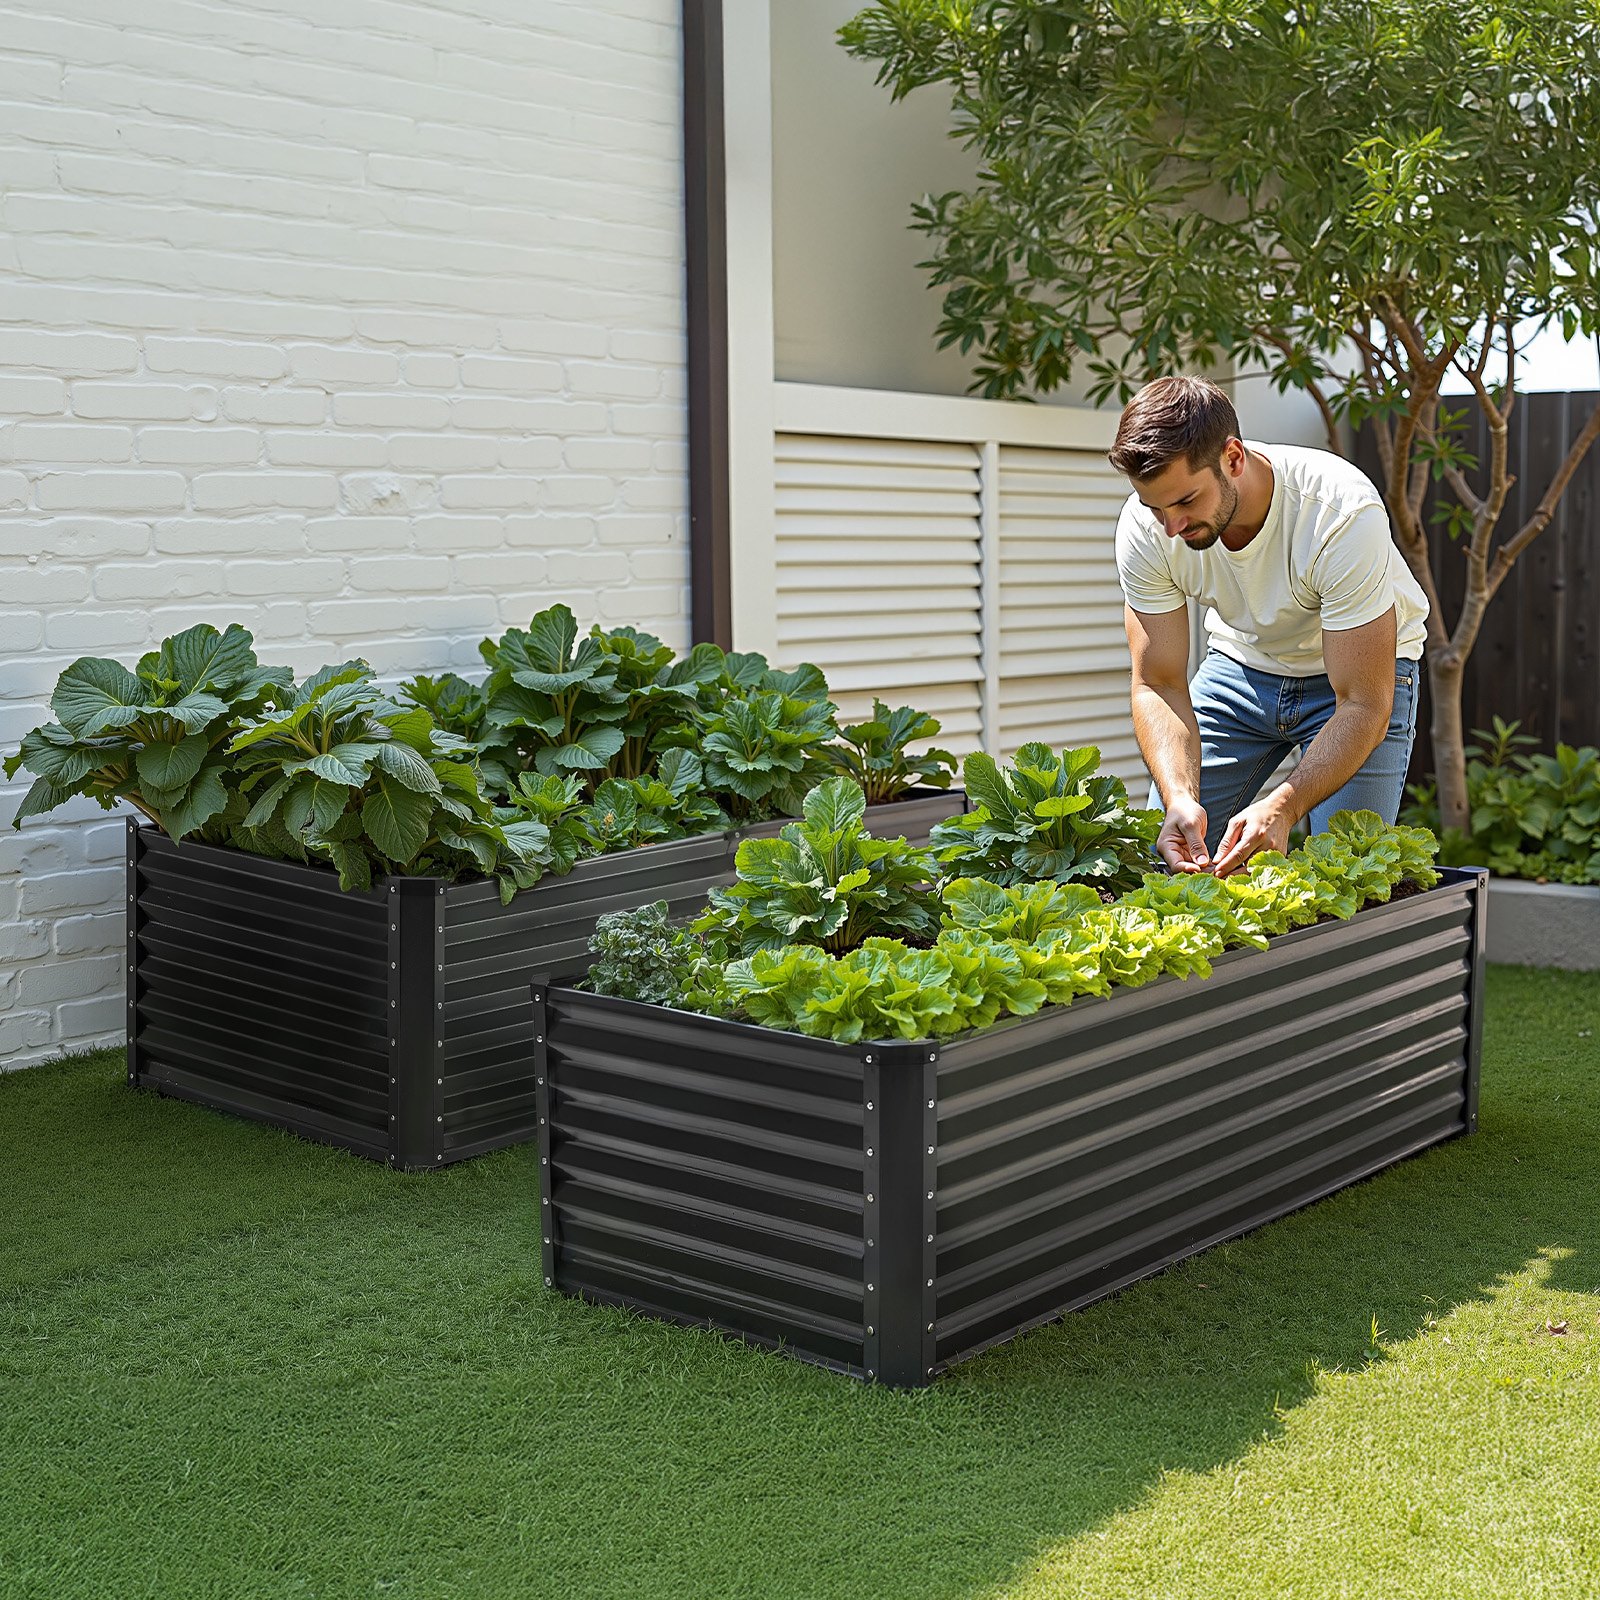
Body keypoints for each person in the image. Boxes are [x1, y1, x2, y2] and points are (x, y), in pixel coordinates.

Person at [1110, 375, 1430, 877]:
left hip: (1352, 686)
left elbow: (1364, 703)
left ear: (1233, 459)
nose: (1171, 527)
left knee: (1346, 876)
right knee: (1170, 857)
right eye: (1156, 508)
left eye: (1186, 502)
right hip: (1241, 669)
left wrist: (1284, 805)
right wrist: (1179, 796)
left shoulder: (1339, 513)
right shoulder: (1144, 530)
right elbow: (1158, 683)